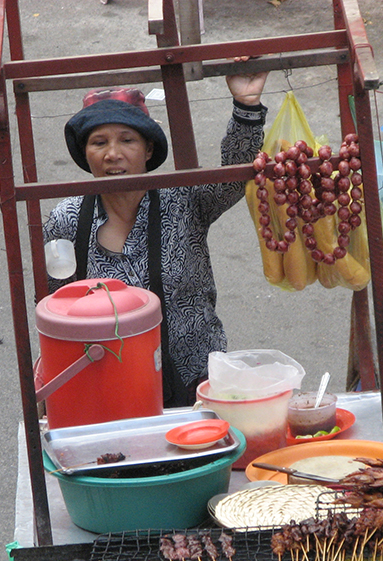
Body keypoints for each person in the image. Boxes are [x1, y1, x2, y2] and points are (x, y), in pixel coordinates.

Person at [42, 70, 268, 408]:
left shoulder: (183, 200)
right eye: (99, 142)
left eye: (127, 140)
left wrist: (245, 105)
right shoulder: (67, 220)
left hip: (196, 383)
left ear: (148, 150)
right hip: (106, 385)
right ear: (86, 154)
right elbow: (56, 306)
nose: (112, 154)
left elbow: (234, 175)